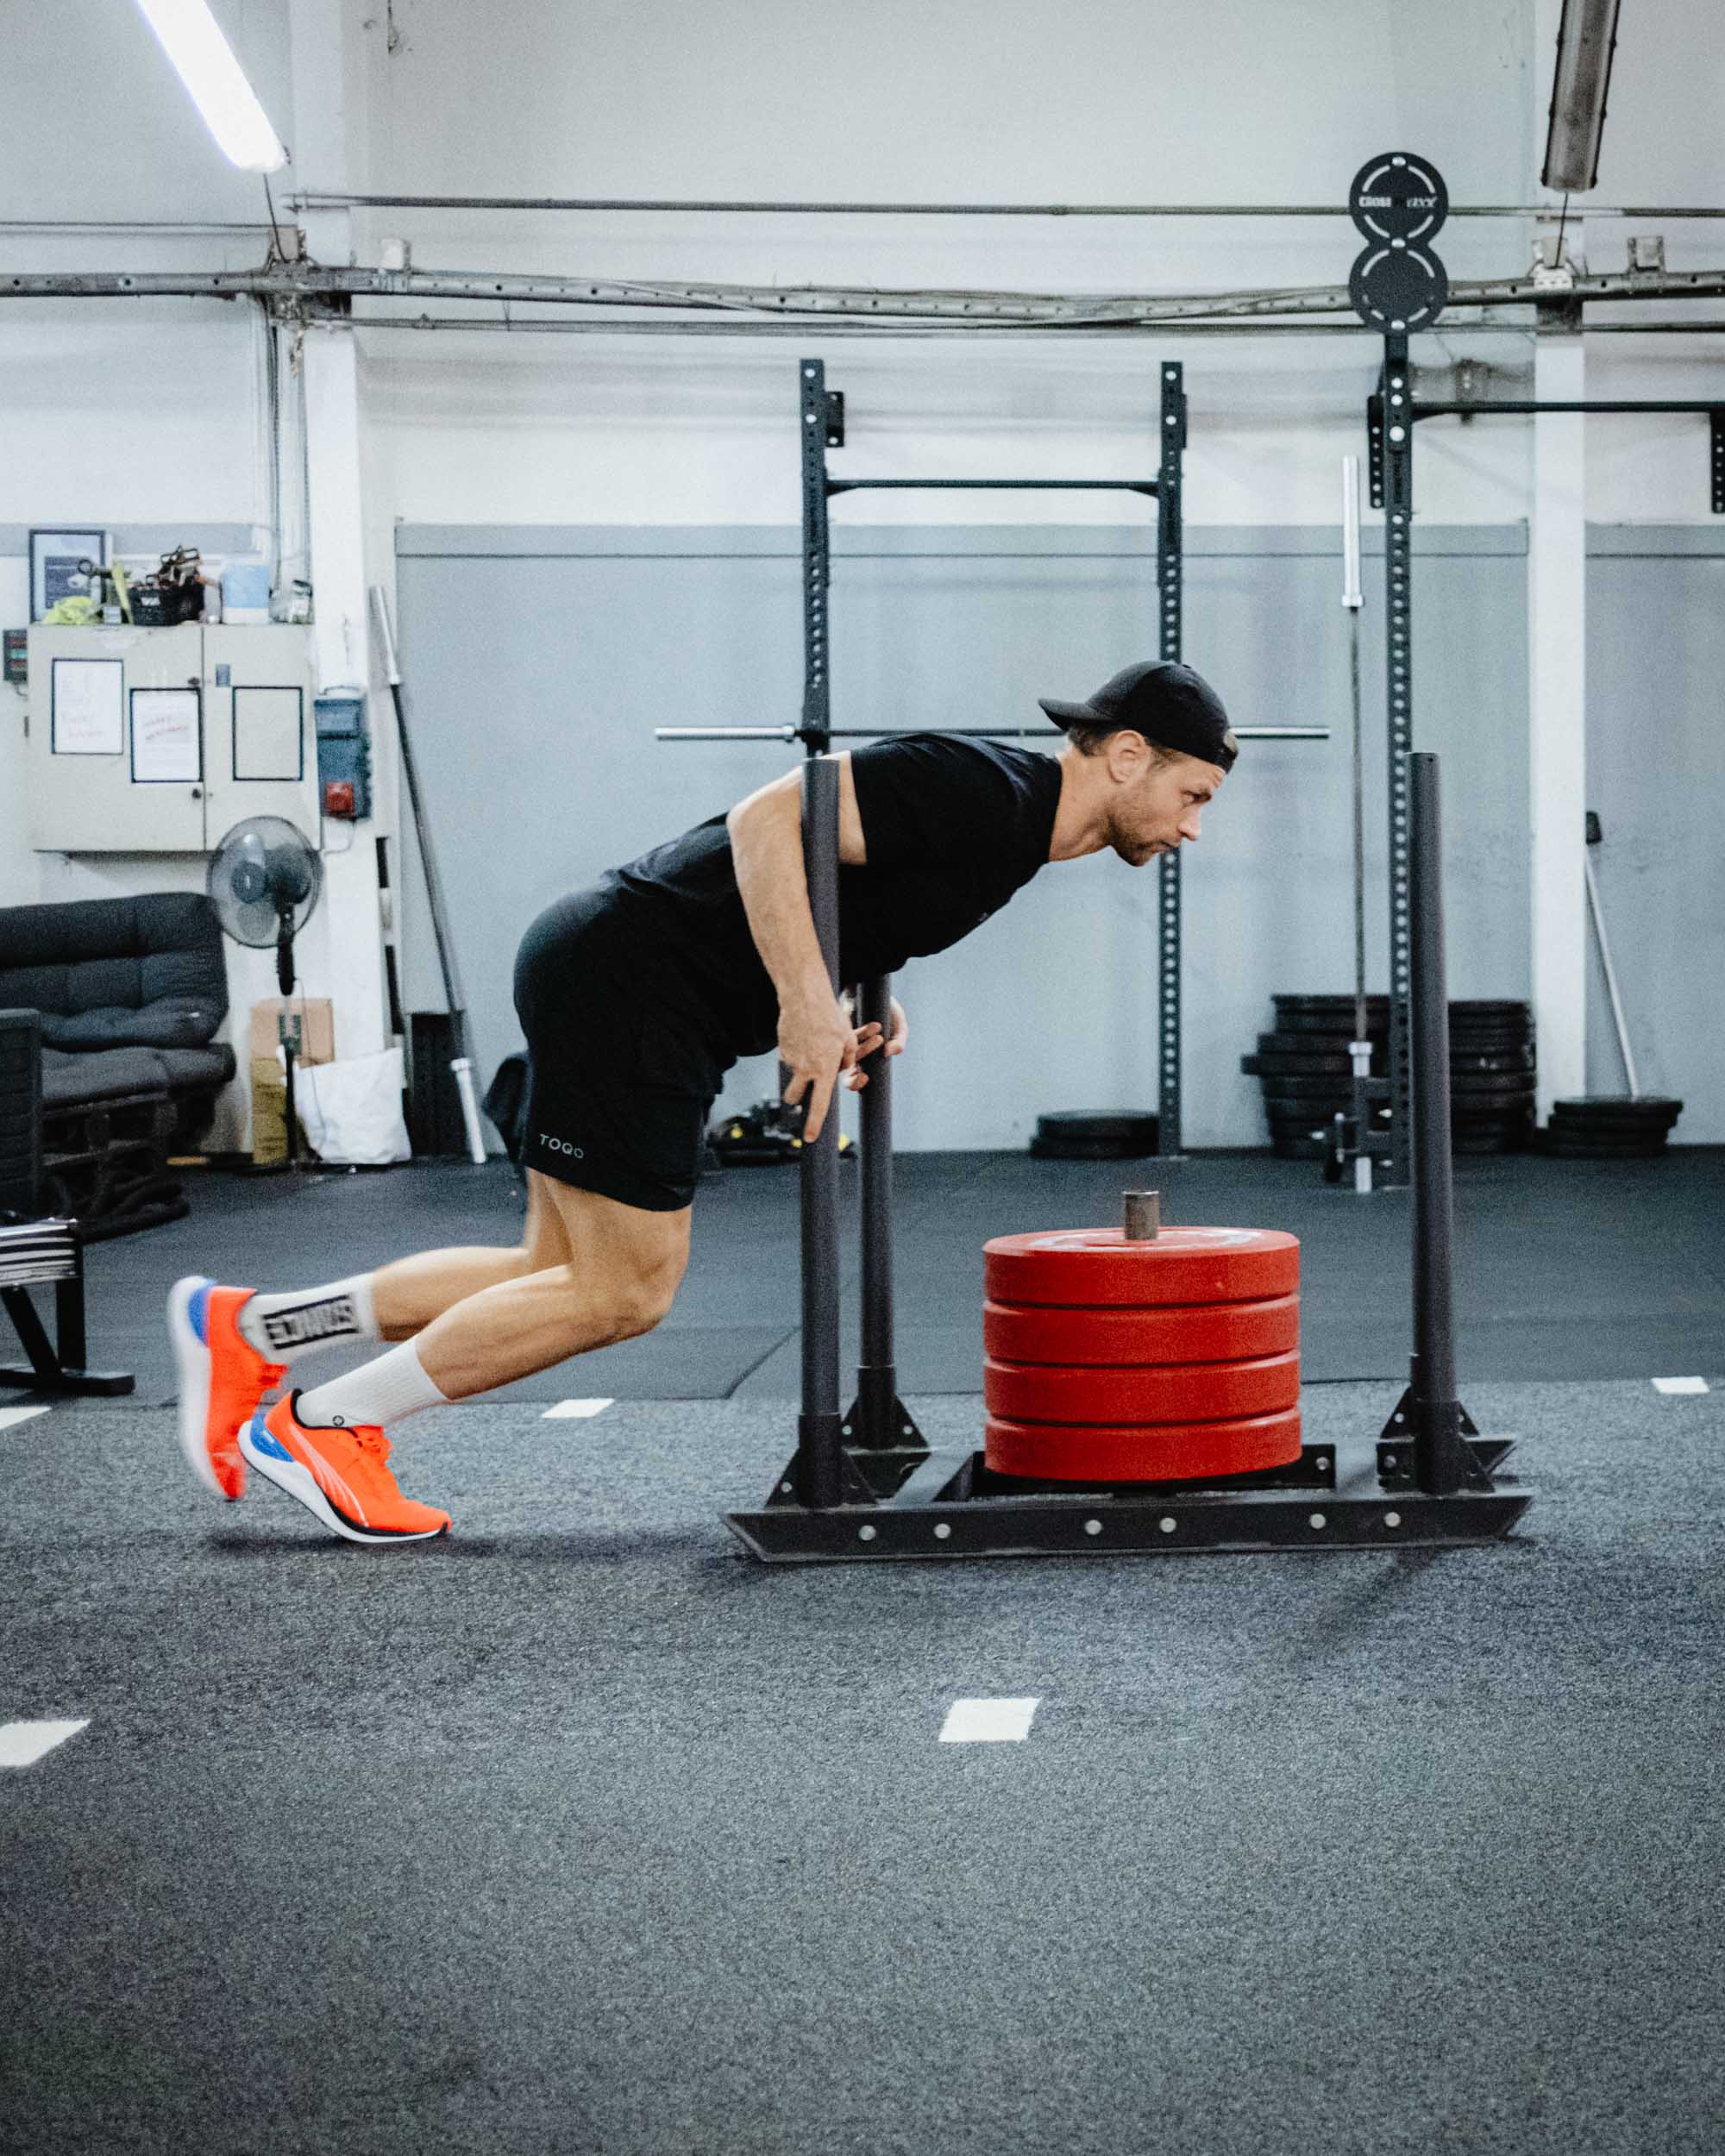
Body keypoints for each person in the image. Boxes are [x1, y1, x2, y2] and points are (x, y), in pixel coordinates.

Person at [168, 658, 1237, 1544]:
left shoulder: (1013, 838)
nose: (1193, 827)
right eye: (1191, 796)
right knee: (625, 1292)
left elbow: (853, 891)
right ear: (1128, 755)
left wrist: (863, 994)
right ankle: (327, 1422)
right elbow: (773, 819)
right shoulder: (984, 790)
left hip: (609, 964)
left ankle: (254, 1327)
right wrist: (804, 1003)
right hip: (633, 980)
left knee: (552, 1271)